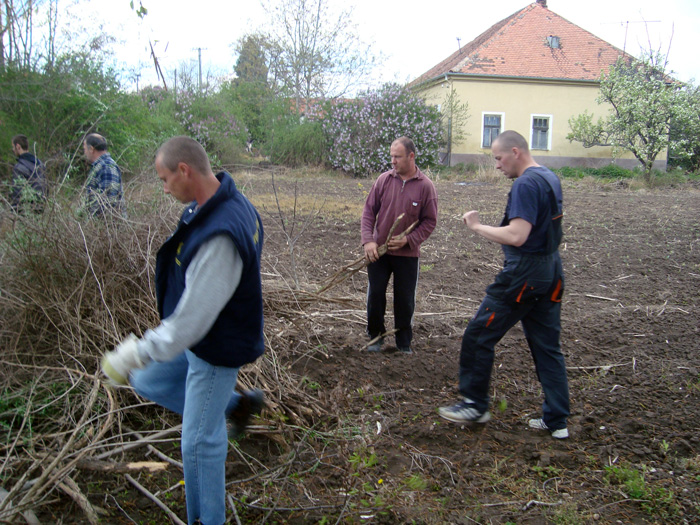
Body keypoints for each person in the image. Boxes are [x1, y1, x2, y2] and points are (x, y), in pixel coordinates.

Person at [101, 136, 265, 525]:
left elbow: (191, 321)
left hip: (215, 347)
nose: (164, 188)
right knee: (148, 380)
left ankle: (206, 519)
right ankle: (236, 406)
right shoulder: (215, 205)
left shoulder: (221, 234)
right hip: (197, 340)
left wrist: (135, 351)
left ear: (185, 170)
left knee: (198, 443)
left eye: (164, 179)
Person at [438, 130, 570, 439]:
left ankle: (474, 404)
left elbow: (517, 235)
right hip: (551, 270)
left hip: (525, 274)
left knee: (478, 334)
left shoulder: (525, 184)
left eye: (498, 158)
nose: (497, 165)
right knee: (547, 346)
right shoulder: (549, 177)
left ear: (515, 152)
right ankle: (557, 420)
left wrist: (477, 226)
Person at [361, 136, 438, 354]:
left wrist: (409, 240)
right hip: (379, 253)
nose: (392, 161)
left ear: (411, 156)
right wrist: (368, 241)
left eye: (397, 157)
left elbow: (430, 221)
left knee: (405, 299)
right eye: (391, 156)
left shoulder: (426, 187)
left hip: (408, 255)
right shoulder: (383, 180)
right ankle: (375, 337)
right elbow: (368, 212)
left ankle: (403, 343)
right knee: (375, 294)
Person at [82, 133, 124, 216]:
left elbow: (109, 203)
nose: (84, 152)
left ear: (91, 149)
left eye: (85, 149)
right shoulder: (101, 166)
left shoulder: (107, 166)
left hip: (107, 223)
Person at [10, 134, 47, 212]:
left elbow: (17, 192)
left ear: (18, 146)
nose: (13, 149)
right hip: (40, 207)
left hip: (25, 209)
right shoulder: (40, 164)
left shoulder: (19, 167)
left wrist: (14, 210)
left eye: (13, 147)